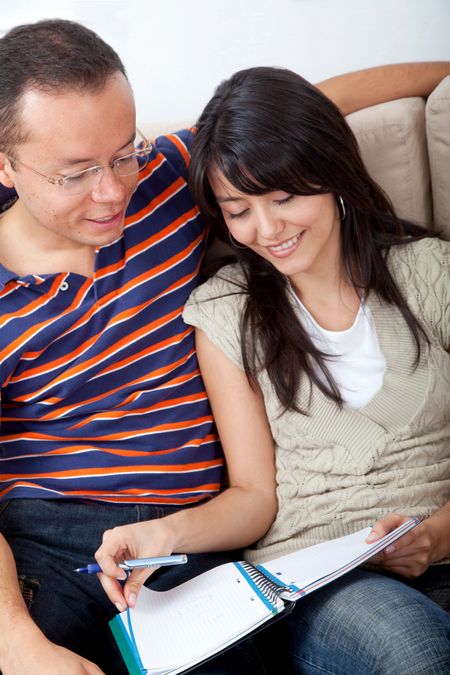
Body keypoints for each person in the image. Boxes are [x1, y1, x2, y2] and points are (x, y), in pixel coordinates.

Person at [0, 17, 449, 675]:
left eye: (124, 152)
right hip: (49, 539)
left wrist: (443, 71)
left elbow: (308, 113)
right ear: (6, 164)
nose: (113, 191)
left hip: (195, 538)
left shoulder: (166, 180)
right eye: (77, 173)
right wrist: (19, 643)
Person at [181, 66, 450, 672]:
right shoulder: (228, 313)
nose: (268, 229)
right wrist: (162, 536)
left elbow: (318, 105)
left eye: (284, 198)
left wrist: (438, 536)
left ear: (332, 176)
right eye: (238, 209)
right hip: (322, 584)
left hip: (442, 555)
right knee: (417, 650)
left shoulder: (431, 274)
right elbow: (253, 497)